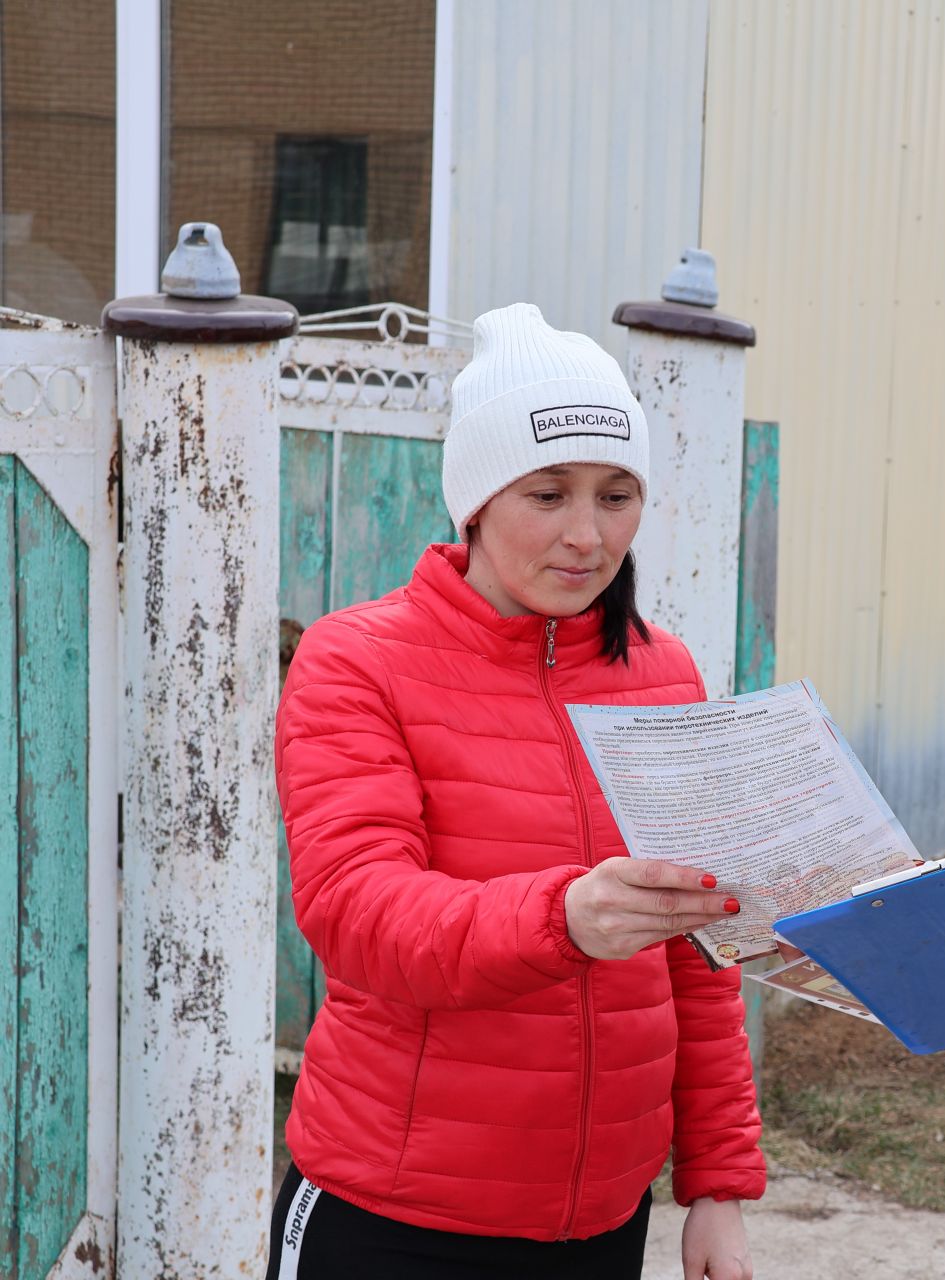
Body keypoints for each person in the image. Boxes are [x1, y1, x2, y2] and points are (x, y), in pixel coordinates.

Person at [271, 303, 764, 1278]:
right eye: (547, 494)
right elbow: (356, 911)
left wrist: (716, 1187)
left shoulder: (667, 675)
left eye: (617, 494)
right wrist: (565, 916)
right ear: (476, 499)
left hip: (598, 1222)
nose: (587, 534)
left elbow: (703, 960)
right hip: (394, 1215)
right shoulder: (356, 661)